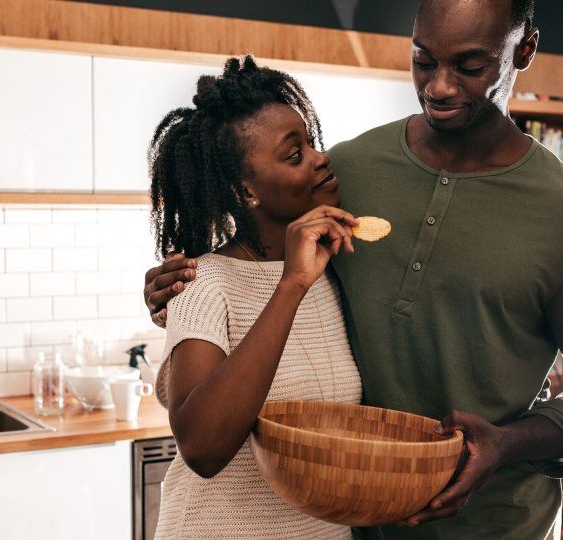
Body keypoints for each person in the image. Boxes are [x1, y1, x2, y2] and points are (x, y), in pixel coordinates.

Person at [142, 1, 563, 539]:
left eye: (470, 66)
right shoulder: (345, 171)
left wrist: (509, 444)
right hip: (355, 524)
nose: (440, 87)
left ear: (523, 50)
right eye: (422, 60)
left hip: (496, 526)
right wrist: (178, 292)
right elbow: (258, 258)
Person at [148, 55, 363, 539]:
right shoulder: (205, 283)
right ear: (244, 192)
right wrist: (291, 284)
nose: (319, 158)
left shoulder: (334, 272)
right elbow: (202, 447)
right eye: (294, 155)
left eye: (311, 143)